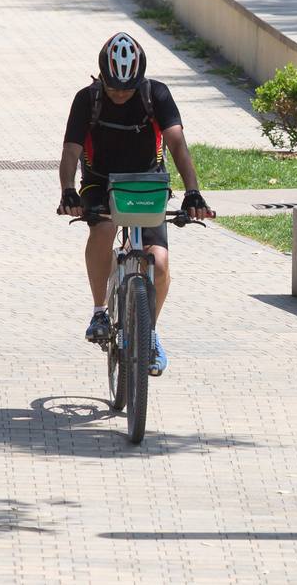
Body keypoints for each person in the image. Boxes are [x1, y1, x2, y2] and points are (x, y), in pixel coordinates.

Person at [59, 33, 213, 376]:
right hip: (100, 179)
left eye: (127, 88)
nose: (121, 94)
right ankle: (100, 310)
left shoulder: (155, 94)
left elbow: (177, 143)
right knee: (105, 226)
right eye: (114, 88)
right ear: (102, 78)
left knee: (158, 263)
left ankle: (149, 333)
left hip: (146, 181)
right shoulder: (87, 100)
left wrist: (193, 192)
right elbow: (70, 151)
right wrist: (68, 190)